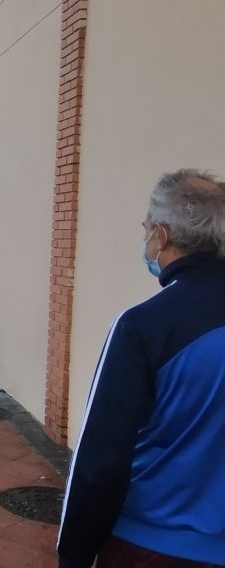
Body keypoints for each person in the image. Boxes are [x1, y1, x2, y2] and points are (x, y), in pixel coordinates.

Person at [58, 169, 225, 568]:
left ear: (162, 235)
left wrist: (75, 554)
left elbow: (100, 461)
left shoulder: (143, 327)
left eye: (147, 228)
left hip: (150, 545)